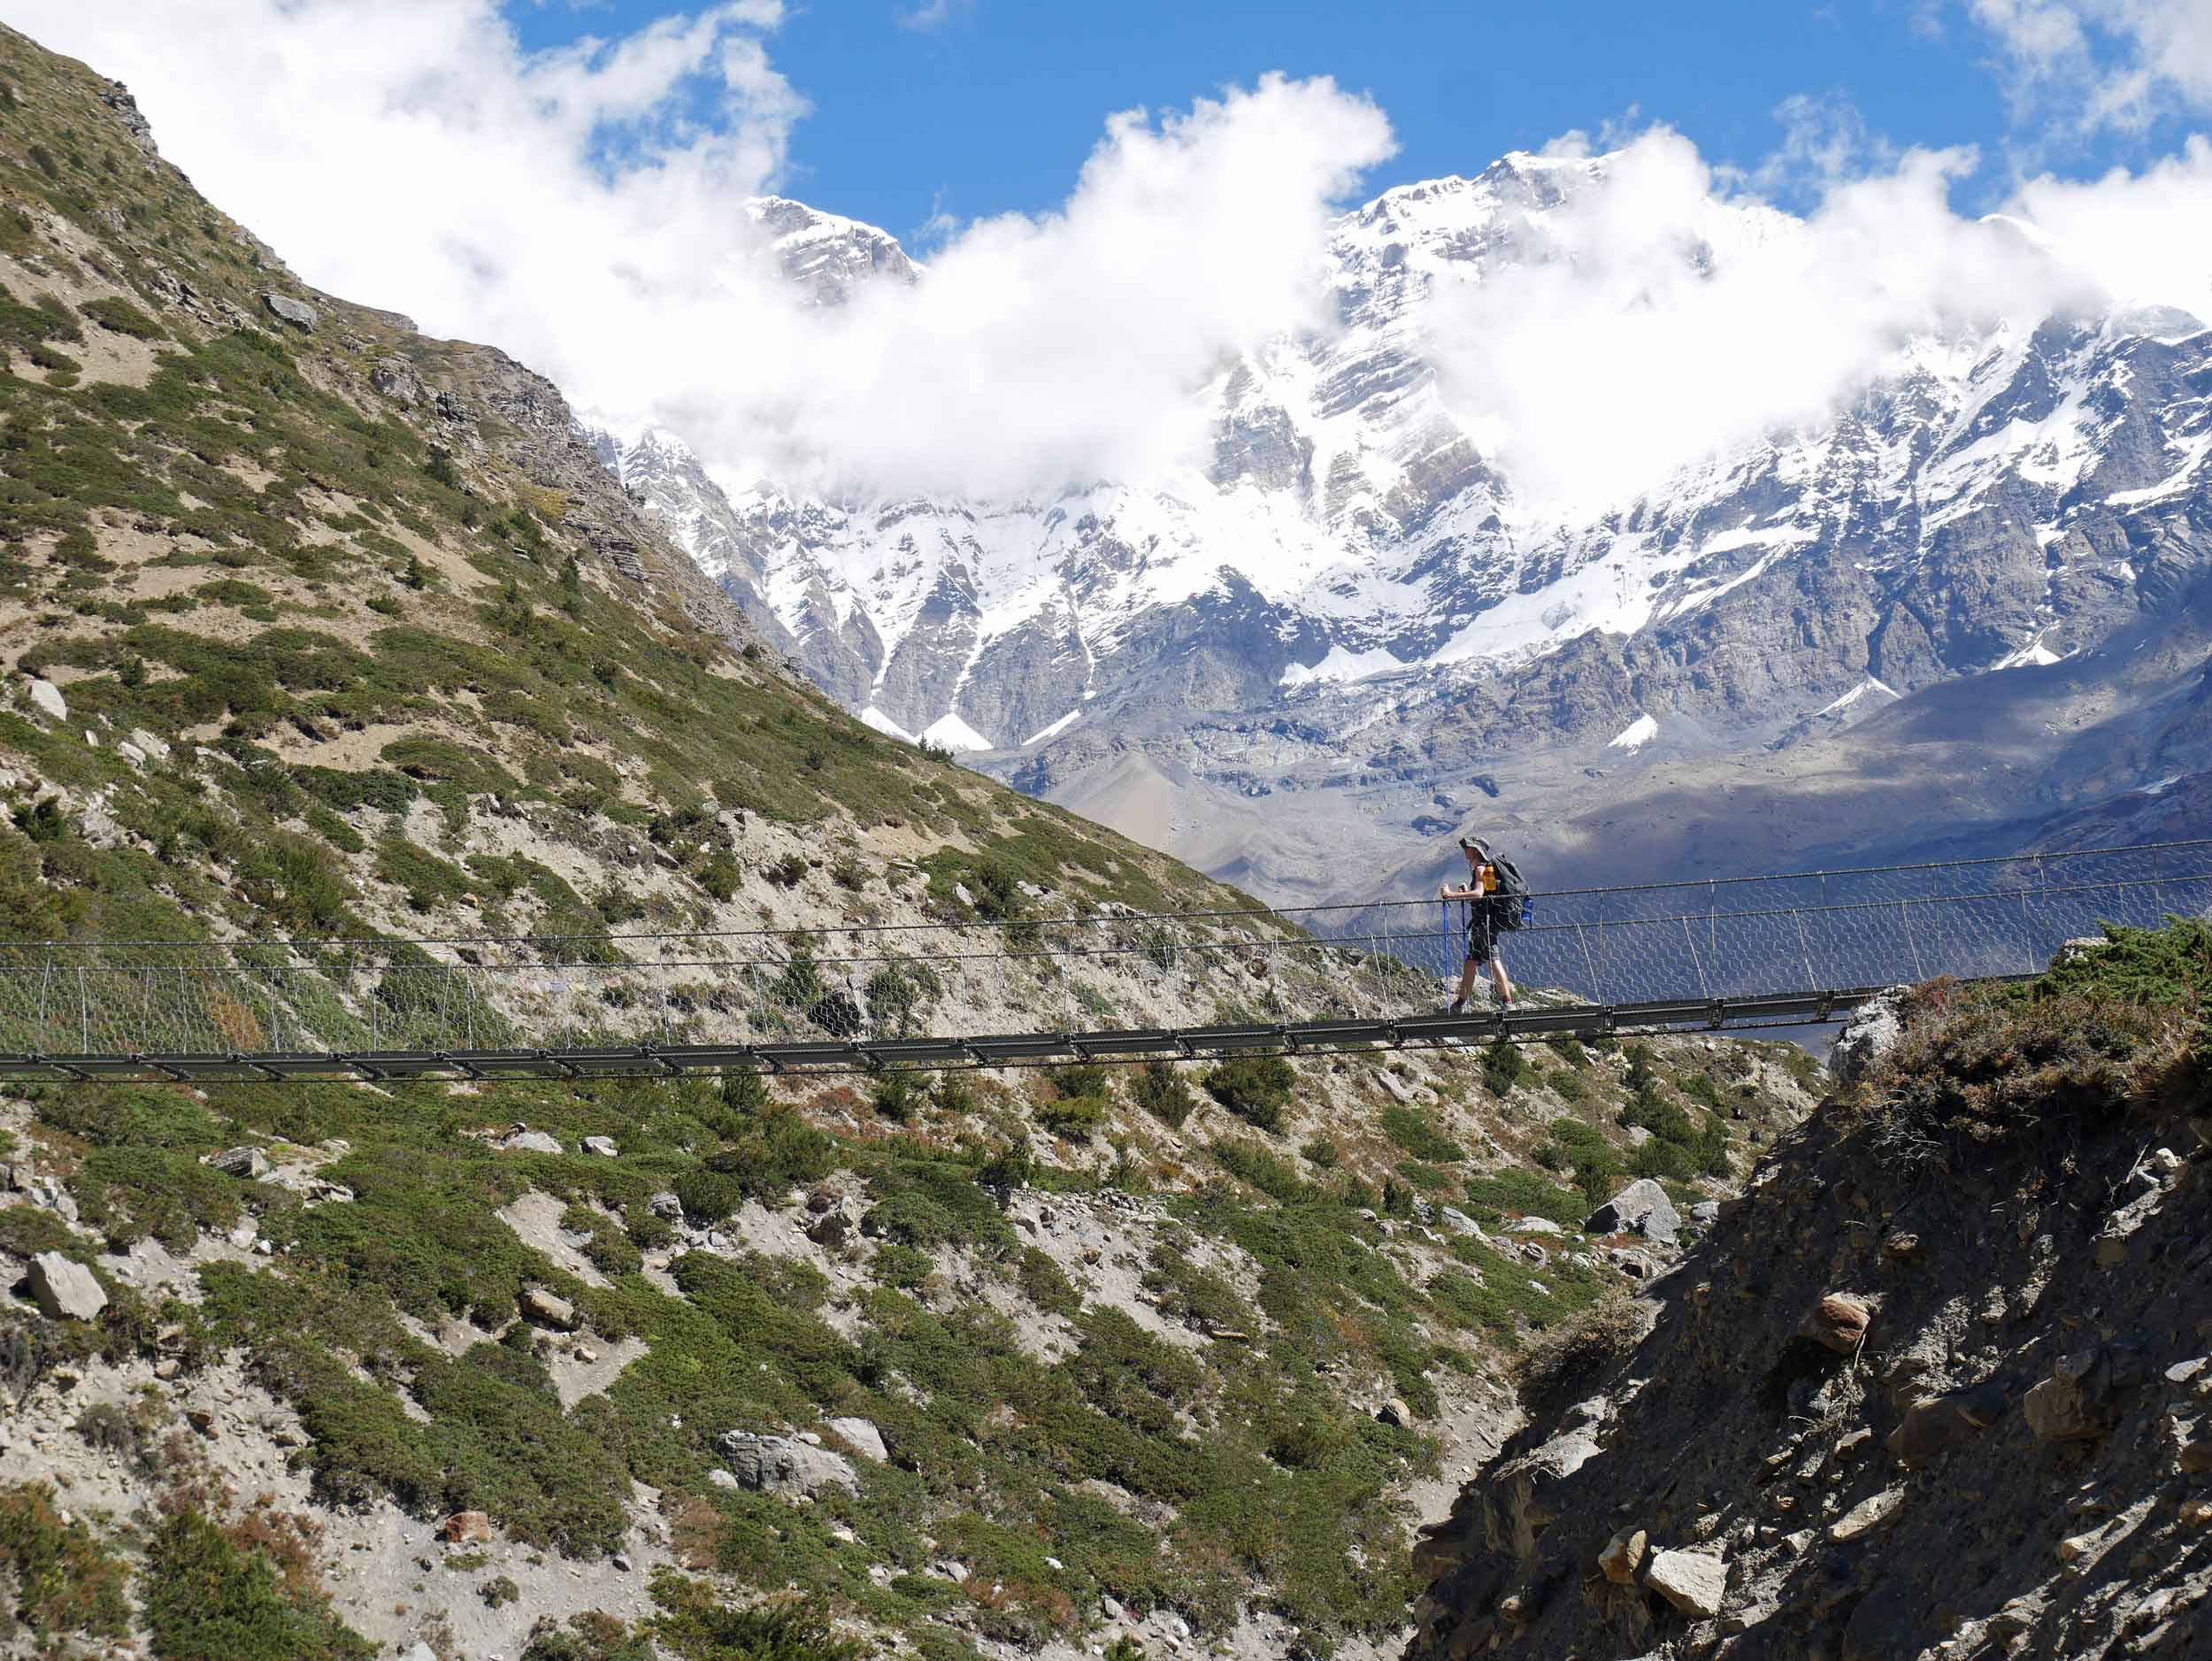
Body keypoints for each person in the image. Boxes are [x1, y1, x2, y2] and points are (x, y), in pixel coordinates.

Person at [1440, 835, 1515, 1014]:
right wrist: (1467, 892)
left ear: (1474, 851)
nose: (1465, 851)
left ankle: (1507, 1002)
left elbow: (1479, 894)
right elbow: (1483, 895)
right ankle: (1459, 1004)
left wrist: (1450, 895)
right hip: (1483, 923)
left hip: (1484, 924)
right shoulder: (1483, 869)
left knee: (1493, 959)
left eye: (1467, 848)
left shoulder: (1480, 870)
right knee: (1471, 962)